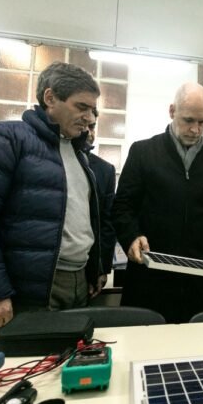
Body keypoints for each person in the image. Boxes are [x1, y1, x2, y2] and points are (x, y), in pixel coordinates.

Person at [0, 62, 106, 329]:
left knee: (67, 354)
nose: (89, 118)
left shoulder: (79, 155)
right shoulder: (6, 138)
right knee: (24, 356)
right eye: (81, 107)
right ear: (50, 98)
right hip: (25, 288)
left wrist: (93, 270)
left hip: (76, 282)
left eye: (93, 110)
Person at [112, 82, 203, 323]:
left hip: (198, 283)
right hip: (149, 279)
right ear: (172, 111)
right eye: (188, 120)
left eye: (202, 122)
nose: (195, 129)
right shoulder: (143, 153)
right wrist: (131, 236)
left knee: (196, 343)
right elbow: (122, 207)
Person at [86, 120, 116, 289]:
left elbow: (107, 223)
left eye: (92, 127)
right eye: (85, 126)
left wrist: (102, 268)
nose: (89, 132)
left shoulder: (105, 170)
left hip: (89, 265)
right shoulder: (53, 161)